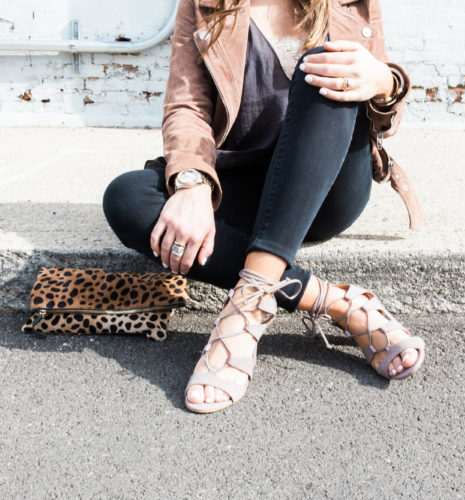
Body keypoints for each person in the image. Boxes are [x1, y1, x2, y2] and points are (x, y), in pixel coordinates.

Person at [103, 0, 425, 414]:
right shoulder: (205, 5)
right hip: (245, 179)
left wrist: (385, 80)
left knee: (329, 66)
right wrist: (194, 184)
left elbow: (383, 113)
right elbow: (187, 106)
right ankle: (336, 302)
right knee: (127, 197)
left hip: (327, 189)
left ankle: (242, 317)